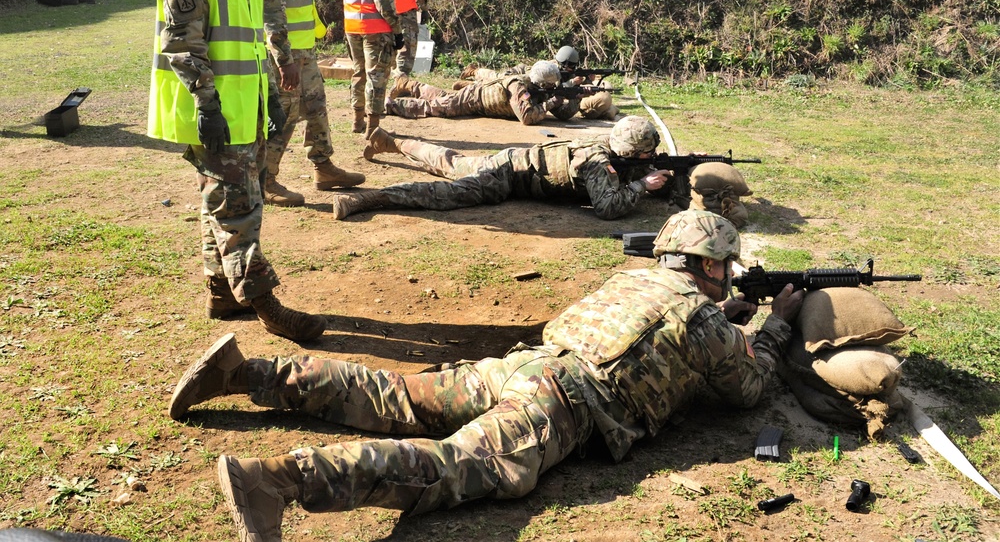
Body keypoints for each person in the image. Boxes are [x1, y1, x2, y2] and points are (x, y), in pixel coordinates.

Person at [168, 210, 803, 541]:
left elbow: (658, 327)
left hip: (522, 367)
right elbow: (748, 389)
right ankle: (277, 481)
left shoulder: (635, 279)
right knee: (453, 467)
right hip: (559, 405)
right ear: (713, 265)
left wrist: (727, 316)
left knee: (393, 394)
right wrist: (775, 323)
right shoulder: (704, 322)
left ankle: (244, 370)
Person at [147, 0, 326, 342]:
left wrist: (267, 94)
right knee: (237, 207)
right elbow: (181, 45)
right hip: (215, 111)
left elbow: (247, 39)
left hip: (242, 108)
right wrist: (207, 106)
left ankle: (222, 293)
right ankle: (264, 303)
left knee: (221, 202)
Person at [251, 0, 365, 207]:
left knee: (315, 106)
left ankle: (324, 167)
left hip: (302, 50)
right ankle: (265, 179)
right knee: (283, 116)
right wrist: (283, 57)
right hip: (285, 53)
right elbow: (269, 8)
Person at [335, 115, 674, 220]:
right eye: (647, 155)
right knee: (448, 192)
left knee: (449, 161)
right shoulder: (598, 162)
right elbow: (608, 207)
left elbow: (628, 169)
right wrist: (643, 186)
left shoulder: (610, 145)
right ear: (634, 151)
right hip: (505, 175)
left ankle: (391, 142)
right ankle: (369, 199)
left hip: (514, 160)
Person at [338, 0, 403, 137]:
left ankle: (357, 121)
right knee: (376, 76)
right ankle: (373, 128)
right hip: (375, 29)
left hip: (351, 28)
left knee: (358, 73)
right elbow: (384, 4)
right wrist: (397, 30)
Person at [384, 60, 580, 125]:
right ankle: (389, 105)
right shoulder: (518, 86)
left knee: (442, 98)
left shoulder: (535, 87)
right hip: (474, 99)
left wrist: (574, 97)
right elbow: (527, 117)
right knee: (435, 107)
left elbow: (563, 115)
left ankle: (408, 84)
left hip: (477, 101)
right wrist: (551, 102)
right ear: (542, 83)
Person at [456, 46, 620, 121]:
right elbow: (550, 83)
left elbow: (559, 94)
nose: (572, 69)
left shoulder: (565, 73)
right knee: (496, 77)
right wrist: (570, 83)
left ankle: (470, 85)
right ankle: (474, 72)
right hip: (523, 75)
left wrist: (585, 82)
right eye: (570, 66)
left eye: (574, 67)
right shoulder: (550, 69)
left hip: (540, 89)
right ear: (563, 63)